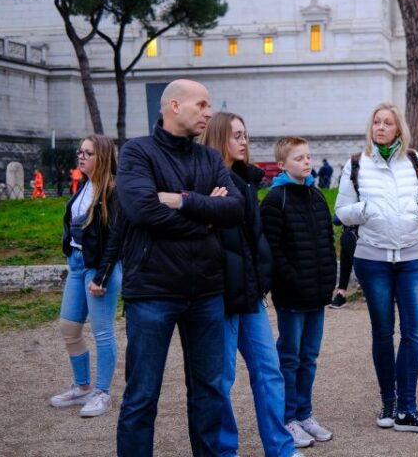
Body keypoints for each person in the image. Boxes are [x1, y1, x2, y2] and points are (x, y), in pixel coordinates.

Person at [115, 79, 244, 457]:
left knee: (209, 392)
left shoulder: (209, 158)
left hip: (206, 291)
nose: (209, 113)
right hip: (152, 291)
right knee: (142, 396)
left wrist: (183, 200)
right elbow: (142, 210)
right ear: (174, 105)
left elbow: (235, 208)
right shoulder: (137, 152)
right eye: (201, 105)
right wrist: (206, 216)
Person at [335, 102, 418, 434]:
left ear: (399, 129)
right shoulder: (357, 163)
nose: (381, 127)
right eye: (376, 122)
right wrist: (365, 210)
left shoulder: (415, 161)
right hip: (373, 260)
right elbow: (341, 210)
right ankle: (389, 404)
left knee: (414, 333)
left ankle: (407, 409)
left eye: (387, 123)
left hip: (413, 259)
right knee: (383, 333)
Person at [199, 113, 302, 457]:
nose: (244, 141)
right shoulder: (206, 181)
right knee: (222, 379)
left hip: (250, 293)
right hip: (220, 295)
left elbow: (252, 240)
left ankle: (280, 448)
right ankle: (225, 451)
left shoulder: (246, 180)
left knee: (269, 371)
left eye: (245, 134)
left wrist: (261, 278)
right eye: (236, 136)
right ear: (219, 138)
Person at [261, 136, 337, 449]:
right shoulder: (275, 200)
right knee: (289, 357)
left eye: (308, 157)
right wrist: (291, 281)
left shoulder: (316, 196)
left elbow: (327, 242)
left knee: (310, 357)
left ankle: (305, 413)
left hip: (316, 294)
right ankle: (288, 417)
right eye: (299, 158)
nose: (306, 162)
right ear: (282, 164)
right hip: (292, 296)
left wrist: (329, 280)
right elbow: (272, 250)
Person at [49, 134, 123, 418]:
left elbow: (116, 239)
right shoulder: (84, 185)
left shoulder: (113, 190)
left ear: (101, 157)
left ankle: (102, 392)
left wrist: (102, 276)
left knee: (102, 332)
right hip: (77, 264)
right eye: (80, 152)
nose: (81, 156)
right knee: (69, 328)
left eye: (87, 153)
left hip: (100, 267)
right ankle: (81, 387)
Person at [329, 214, 356, 309]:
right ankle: (341, 293)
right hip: (349, 234)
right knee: (345, 263)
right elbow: (336, 220)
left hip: (365, 237)